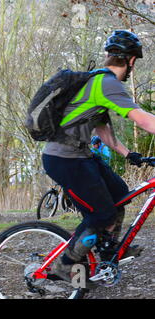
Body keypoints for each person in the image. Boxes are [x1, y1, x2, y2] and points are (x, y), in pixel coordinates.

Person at [41, 30, 155, 285]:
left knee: (119, 194)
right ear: (130, 61)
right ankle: (65, 265)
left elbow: (101, 129)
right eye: (134, 62)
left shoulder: (99, 83)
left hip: (79, 155)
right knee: (101, 214)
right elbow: (143, 118)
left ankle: (108, 253)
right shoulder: (107, 83)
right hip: (64, 158)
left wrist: (129, 154)